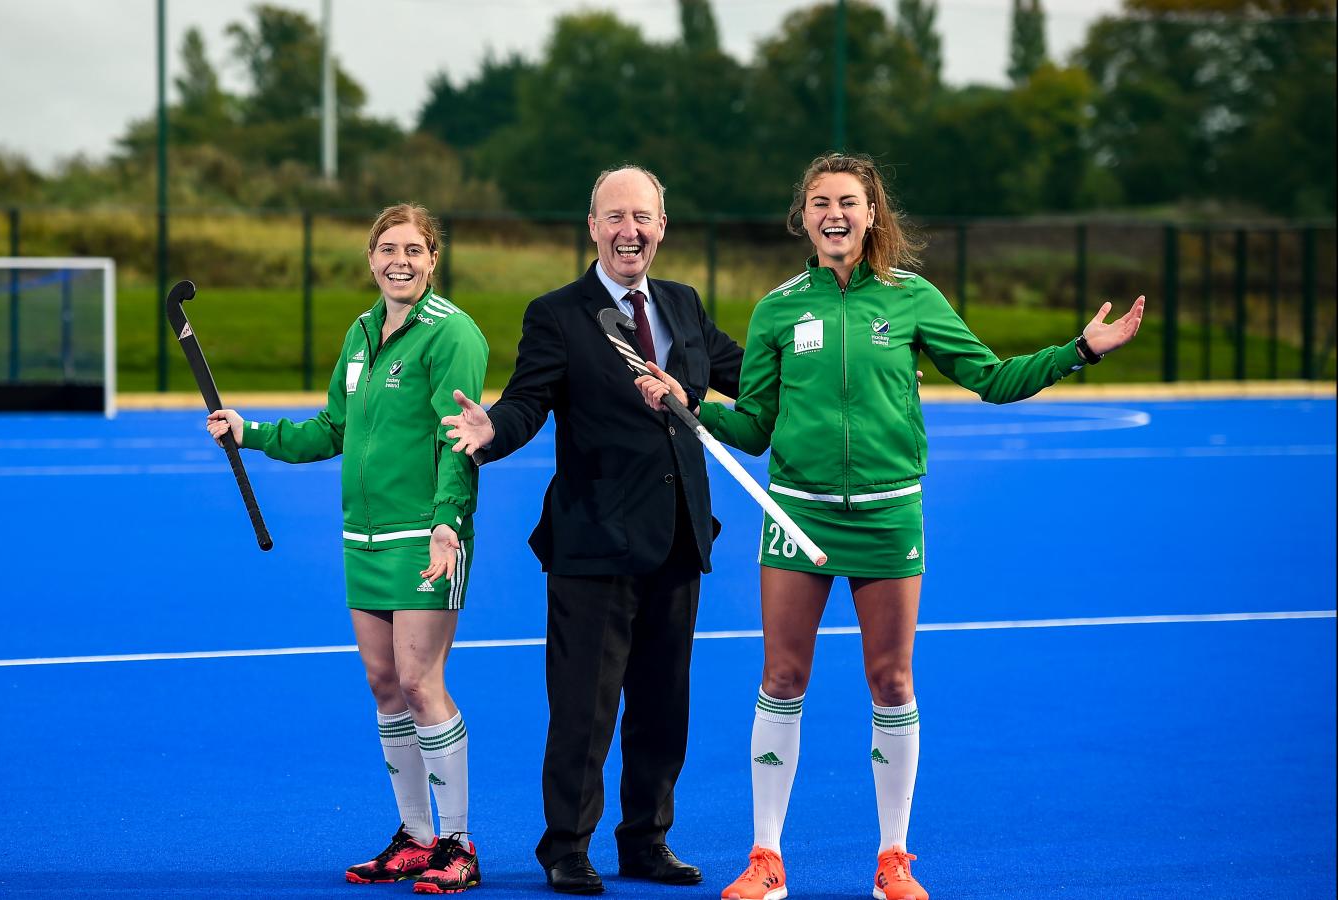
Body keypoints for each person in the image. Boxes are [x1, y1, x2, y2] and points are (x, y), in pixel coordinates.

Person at [632, 153, 1144, 900]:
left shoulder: (911, 299)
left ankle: (894, 859)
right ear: (802, 217)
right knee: (781, 678)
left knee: (892, 680)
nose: (833, 214)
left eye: (847, 201)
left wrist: (1079, 351)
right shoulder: (778, 308)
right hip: (796, 515)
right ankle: (767, 860)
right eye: (818, 202)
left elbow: (992, 379)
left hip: (887, 515)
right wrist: (692, 401)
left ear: (872, 214)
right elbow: (756, 428)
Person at [441, 165, 745, 895]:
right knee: (584, 706)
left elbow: (750, 374)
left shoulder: (683, 304)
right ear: (592, 227)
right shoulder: (558, 313)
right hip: (593, 541)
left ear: (662, 228)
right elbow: (527, 402)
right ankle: (565, 848)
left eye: (642, 217)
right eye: (614, 217)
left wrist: (834, 365)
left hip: (677, 537)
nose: (628, 231)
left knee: (664, 706)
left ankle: (646, 840)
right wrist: (491, 430)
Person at [207, 204, 489, 894]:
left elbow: (461, 436)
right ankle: (416, 836)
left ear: (432, 259)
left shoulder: (453, 334)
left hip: (425, 534)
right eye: (388, 248)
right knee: (384, 685)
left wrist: (449, 520)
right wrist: (250, 432)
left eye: (415, 250)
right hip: (361, 539)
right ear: (370, 258)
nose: (401, 260)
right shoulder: (362, 333)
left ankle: (458, 843)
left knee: (422, 683)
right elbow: (332, 428)